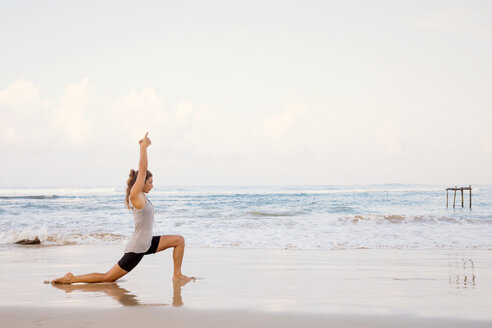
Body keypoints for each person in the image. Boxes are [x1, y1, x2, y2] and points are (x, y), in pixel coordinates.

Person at [52, 132, 193, 284]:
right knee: (108, 278)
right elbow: (143, 168)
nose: (152, 185)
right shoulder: (136, 195)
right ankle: (71, 278)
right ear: (141, 182)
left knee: (179, 240)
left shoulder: (143, 197)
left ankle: (177, 274)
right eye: (150, 182)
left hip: (147, 243)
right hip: (137, 248)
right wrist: (143, 148)